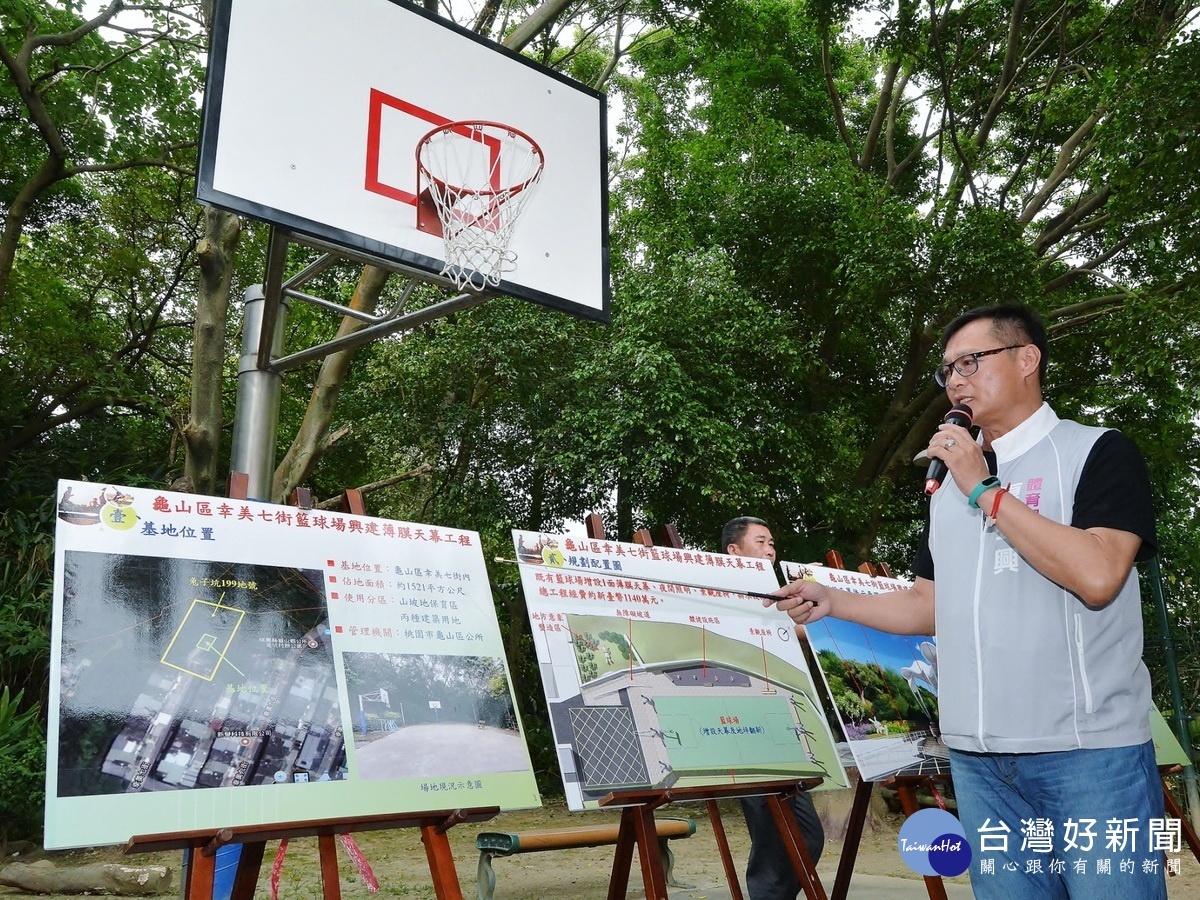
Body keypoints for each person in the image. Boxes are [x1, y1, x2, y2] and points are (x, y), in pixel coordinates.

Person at [767, 305, 1166, 899]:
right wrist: (834, 600)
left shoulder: (1096, 452)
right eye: (948, 369)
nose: (955, 380)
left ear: (1027, 359)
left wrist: (983, 488)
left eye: (971, 362)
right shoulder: (945, 488)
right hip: (979, 762)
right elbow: (929, 604)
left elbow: (1100, 574)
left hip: (1090, 757)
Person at [722, 516, 825, 899]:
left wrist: (835, 600)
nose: (770, 549)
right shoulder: (723, 591)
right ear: (734, 550)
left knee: (806, 836)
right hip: (744, 730)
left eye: (772, 543)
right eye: (761, 541)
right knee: (773, 834)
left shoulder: (771, 596)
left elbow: (795, 629)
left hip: (781, 725)